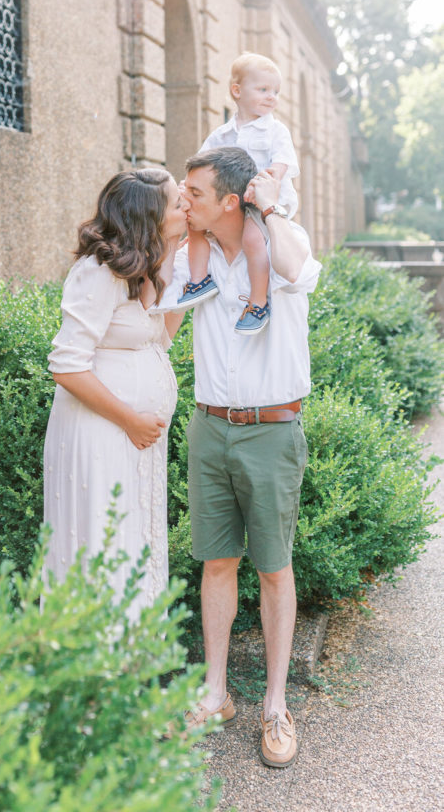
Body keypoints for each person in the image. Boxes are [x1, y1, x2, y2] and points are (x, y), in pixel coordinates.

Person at [169, 146, 321, 768]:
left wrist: (270, 202)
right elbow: (157, 305)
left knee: (274, 569)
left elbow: (295, 264)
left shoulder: (279, 245)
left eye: (196, 193)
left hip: (271, 431)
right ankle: (215, 693)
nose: (186, 199)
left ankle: (275, 706)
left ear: (231, 200)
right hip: (208, 428)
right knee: (216, 565)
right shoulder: (193, 256)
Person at [42, 168, 188, 622]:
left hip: (135, 438)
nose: (185, 205)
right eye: (176, 201)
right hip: (100, 433)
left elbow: (160, 338)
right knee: (105, 542)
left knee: (135, 540)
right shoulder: (98, 272)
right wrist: (130, 418)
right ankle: (95, 668)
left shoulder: (144, 268)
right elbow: (66, 365)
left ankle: (134, 662)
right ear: (149, 215)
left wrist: (174, 265)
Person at [175, 53, 300, 334]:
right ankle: (199, 279)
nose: (272, 97)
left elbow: (282, 163)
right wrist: (188, 188)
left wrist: (267, 183)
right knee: (194, 224)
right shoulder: (221, 135)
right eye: (264, 90)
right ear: (237, 91)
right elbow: (200, 163)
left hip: (263, 201)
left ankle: (258, 302)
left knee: (253, 238)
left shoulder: (275, 130)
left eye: (276, 92)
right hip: (230, 201)